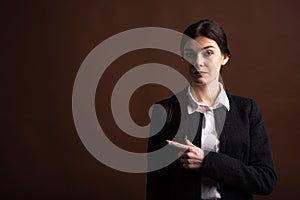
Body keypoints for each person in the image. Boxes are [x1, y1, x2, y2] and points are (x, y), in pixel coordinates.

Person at [146, 19, 277, 200]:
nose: (198, 62)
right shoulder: (164, 112)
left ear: (224, 57)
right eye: (190, 53)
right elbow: (155, 188)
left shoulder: (246, 111)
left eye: (208, 53)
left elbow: (266, 180)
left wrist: (207, 161)